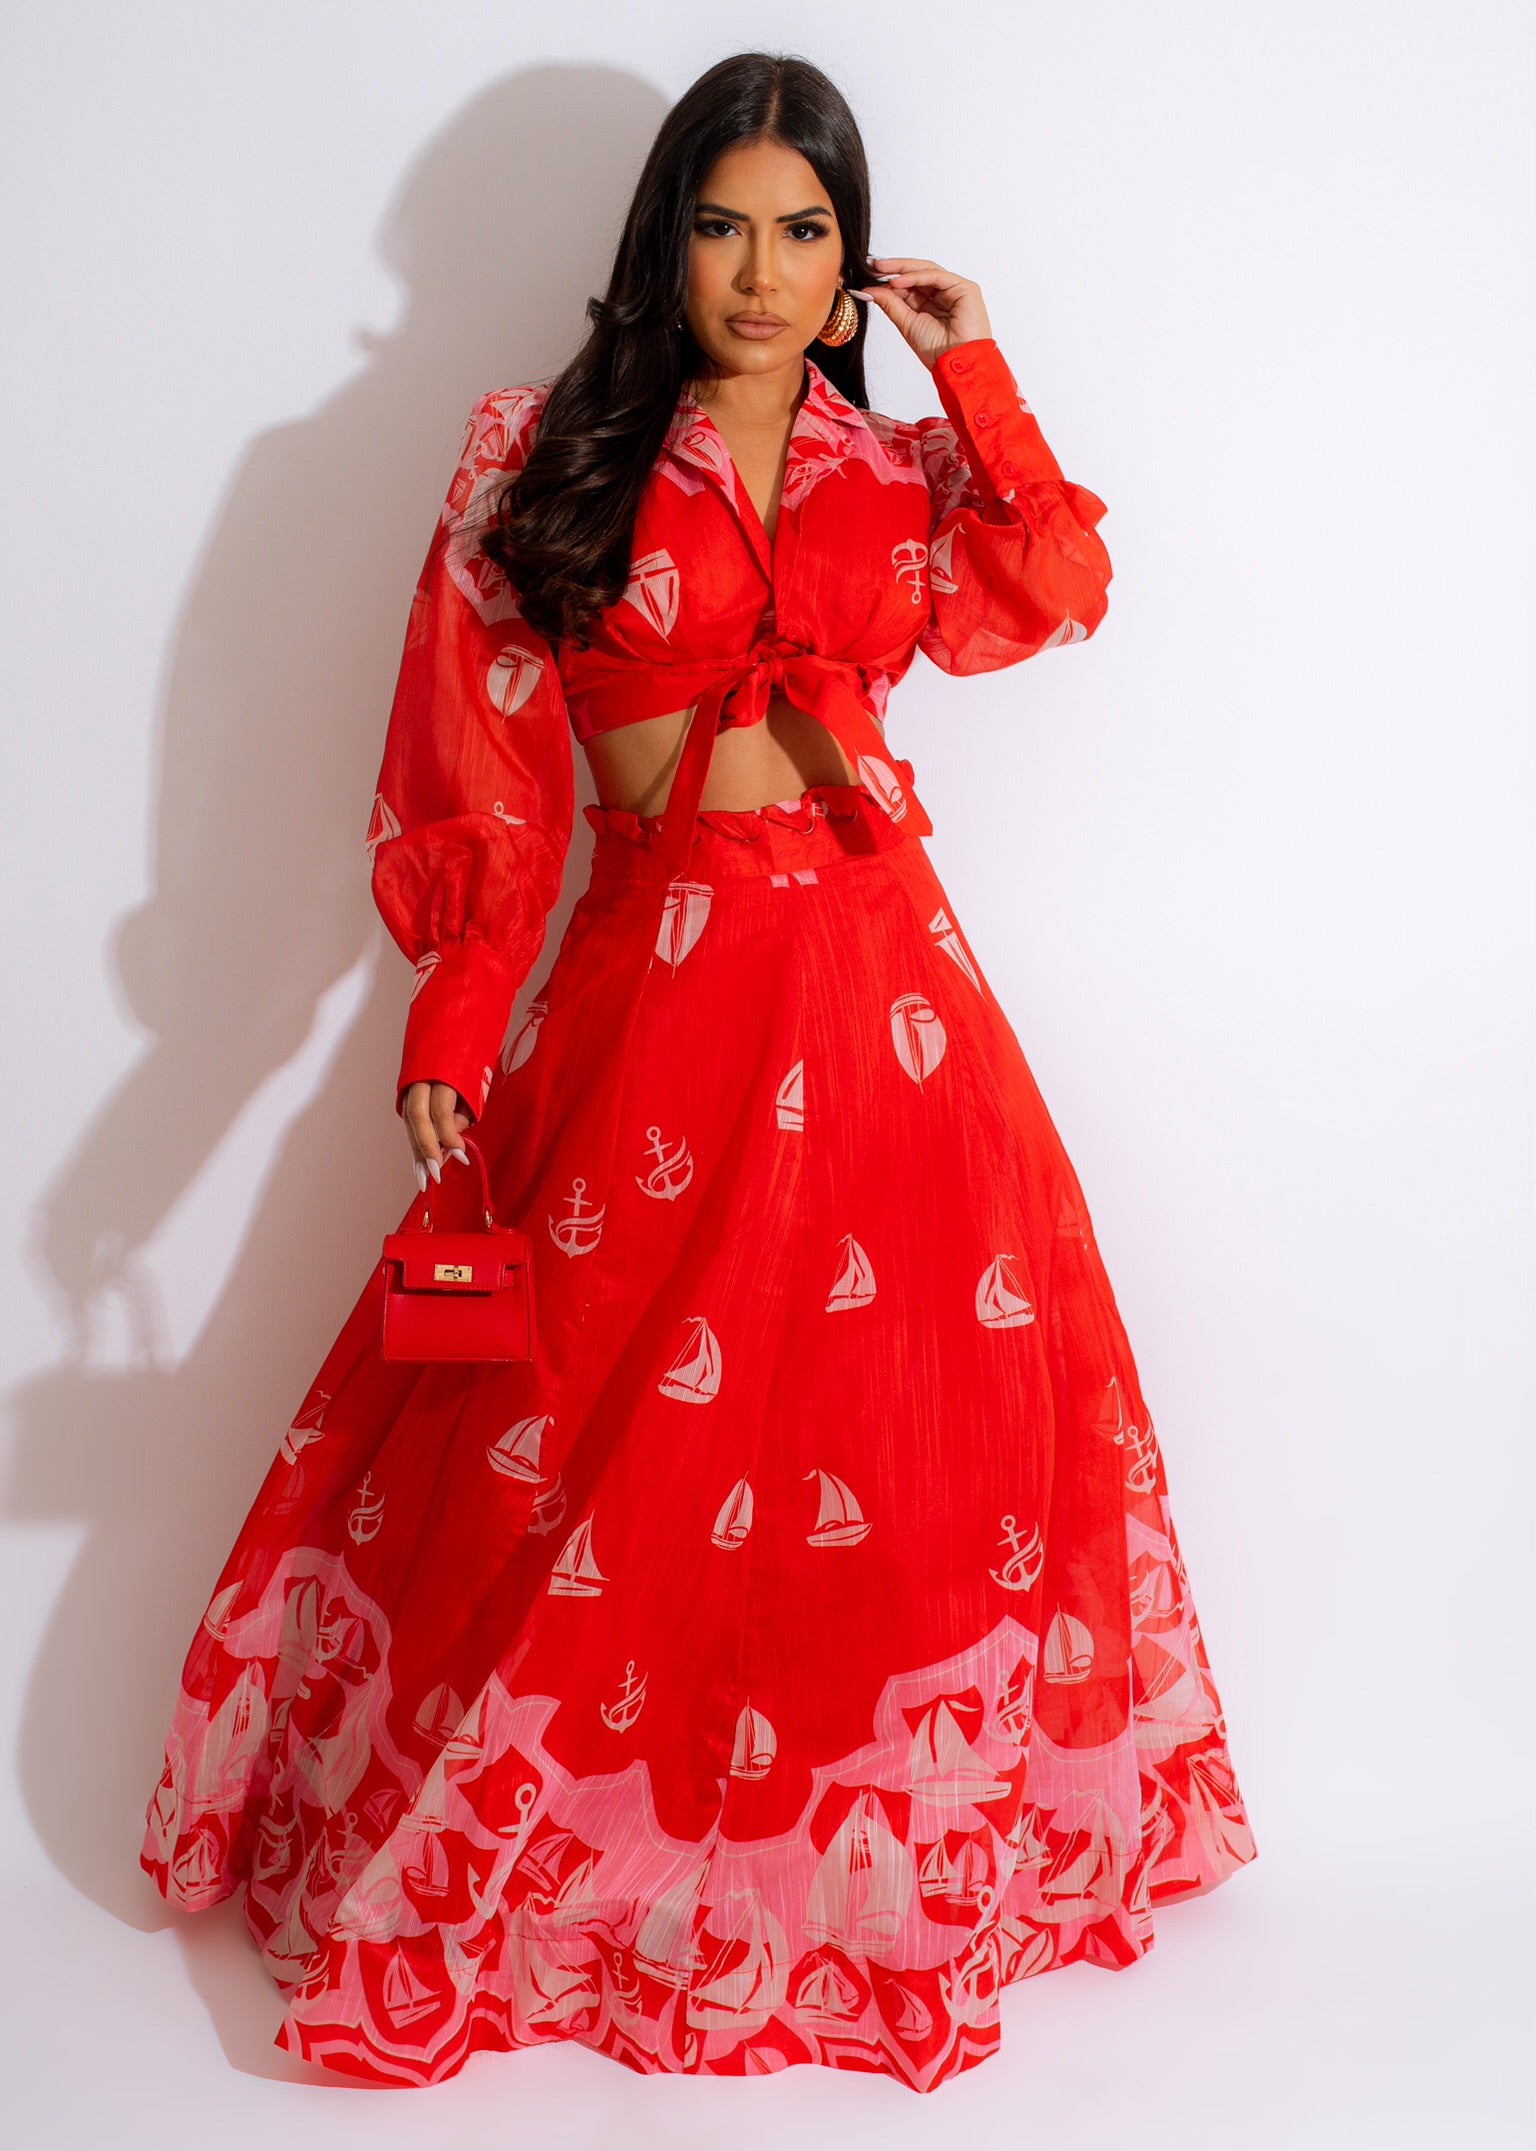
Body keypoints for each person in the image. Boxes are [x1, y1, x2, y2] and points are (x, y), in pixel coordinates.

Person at [139, 50, 1257, 2093]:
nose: (761, 269)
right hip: (655, 992)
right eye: (725, 224)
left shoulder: (891, 470)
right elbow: (476, 770)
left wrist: (975, 370)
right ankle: (551, 1852)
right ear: (666, 238)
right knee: (571, 1435)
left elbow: (1060, 586)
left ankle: (833, 1863)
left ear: (849, 261)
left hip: (888, 994)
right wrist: (456, 1012)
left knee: (906, 1440)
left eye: (805, 231)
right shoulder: (541, 447)